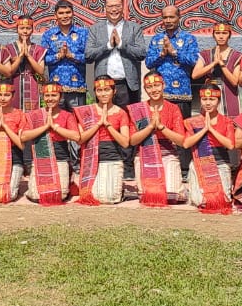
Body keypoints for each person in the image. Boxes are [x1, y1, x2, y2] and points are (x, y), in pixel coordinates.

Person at [126, 72, 188, 206]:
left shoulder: (173, 108)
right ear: (145, 88)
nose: (154, 90)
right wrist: (150, 127)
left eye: (157, 85)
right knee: (149, 197)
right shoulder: (138, 109)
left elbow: (181, 140)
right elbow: (132, 140)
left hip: (167, 154)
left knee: (171, 197)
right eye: (149, 87)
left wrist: (161, 127)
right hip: (145, 154)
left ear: (163, 85)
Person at [84, 0, 149, 107]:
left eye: (117, 6)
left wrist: (121, 45)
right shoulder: (95, 29)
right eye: (110, 6)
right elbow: (88, 55)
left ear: (123, 7)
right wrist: (108, 46)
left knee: (128, 121)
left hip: (127, 84)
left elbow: (141, 53)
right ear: (105, 9)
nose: (114, 9)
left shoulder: (134, 28)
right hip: (103, 85)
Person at [75, 76, 131, 204]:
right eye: (99, 90)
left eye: (107, 89)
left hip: (113, 158)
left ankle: (120, 191)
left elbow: (125, 142)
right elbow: (80, 139)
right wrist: (98, 124)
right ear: (95, 92)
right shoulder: (87, 112)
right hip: (92, 160)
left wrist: (108, 125)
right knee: (93, 197)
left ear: (114, 91)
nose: (103, 93)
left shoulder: (121, 113)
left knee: (109, 198)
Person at [20, 82, 78, 204]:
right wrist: (45, 127)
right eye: (47, 95)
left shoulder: (67, 115)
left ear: (60, 97)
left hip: (60, 158)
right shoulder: (35, 115)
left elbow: (76, 136)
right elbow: (24, 136)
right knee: (36, 196)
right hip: (41, 158)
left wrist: (55, 128)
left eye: (54, 95)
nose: (50, 99)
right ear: (43, 97)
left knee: (59, 196)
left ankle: (67, 180)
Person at [182, 81, 234, 213]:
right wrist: (203, 130)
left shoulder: (226, 121)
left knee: (222, 201)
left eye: (212, 99)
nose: (208, 103)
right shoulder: (194, 121)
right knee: (201, 202)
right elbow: (186, 143)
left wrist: (211, 129)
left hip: (220, 163)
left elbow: (230, 144)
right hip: (200, 163)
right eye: (204, 99)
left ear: (219, 101)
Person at [144, 3, 199, 118]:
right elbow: (148, 63)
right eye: (165, 17)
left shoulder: (188, 38)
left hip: (182, 94)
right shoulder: (156, 39)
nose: (168, 20)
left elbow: (193, 60)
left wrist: (174, 52)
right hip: (160, 95)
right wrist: (162, 55)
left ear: (179, 18)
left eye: (171, 17)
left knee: (182, 131)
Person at [41, 1, 89, 108]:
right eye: (61, 13)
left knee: (77, 121)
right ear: (55, 15)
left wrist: (72, 56)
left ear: (73, 13)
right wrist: (58, 56)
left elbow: (90, 57)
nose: (65, 16)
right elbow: (43, 59)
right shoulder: (48, 35)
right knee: (57, 122)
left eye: (68, 12)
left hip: (77, 86)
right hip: (55, 89)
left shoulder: (83, 33)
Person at [191, 21, 242, 116]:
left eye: (224, 33)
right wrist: (214, 63)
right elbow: (195, 75)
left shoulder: (237, 55)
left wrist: (222, 64)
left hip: (229, 93)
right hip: (210, 94)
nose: (221, 36)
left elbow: (235, 82)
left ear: (229, 35)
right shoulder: (206, 54)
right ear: (213, 35)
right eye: (218, 33)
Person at [0, 14, 47, 111]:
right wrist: (20, 56)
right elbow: (9, 72)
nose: (25, 31)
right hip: (14, 83)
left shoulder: (38, 49)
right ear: (17, 29)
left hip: (32, 83)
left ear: (32, 30)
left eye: (28, 28)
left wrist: (28, 55)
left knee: (31, 114)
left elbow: (41, 71)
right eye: (22, 28)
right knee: (13, 114)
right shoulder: (8, 48)